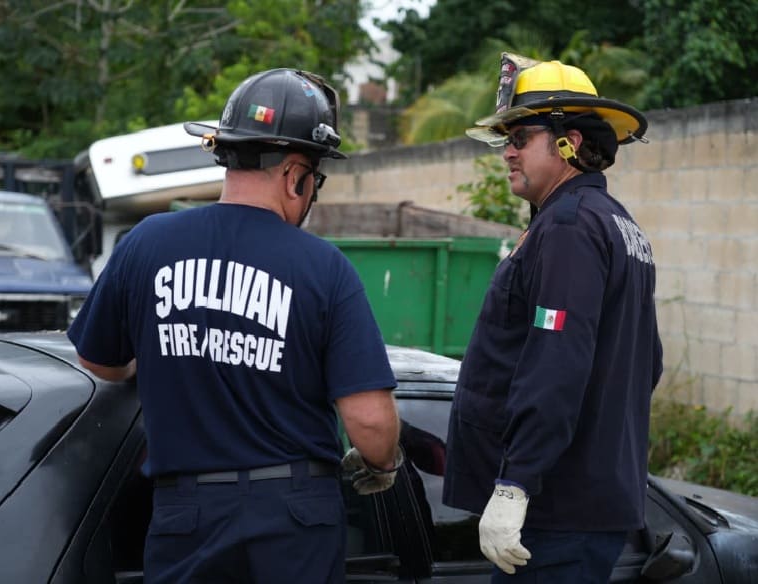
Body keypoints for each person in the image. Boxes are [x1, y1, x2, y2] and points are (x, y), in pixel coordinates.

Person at [68, 68, 403, 584]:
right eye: (314, 178)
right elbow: (373, 426)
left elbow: (99, 361)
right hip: (294, 523)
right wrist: (380, 465)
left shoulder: (145, 243)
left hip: (187, 518)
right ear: (296, 175)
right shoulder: (324, 268)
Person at [442, 53, 664, 583]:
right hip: (584, 508)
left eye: (522, 137)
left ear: (570, 143)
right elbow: (647, 362)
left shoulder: (568, 227)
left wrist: (516, 482)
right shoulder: (614, 224)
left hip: (558, 514)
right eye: (505, 140)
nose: (508, 153)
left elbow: (556, 363)